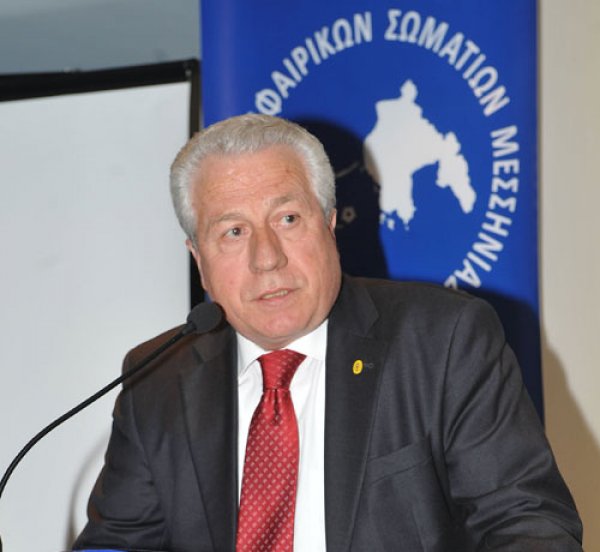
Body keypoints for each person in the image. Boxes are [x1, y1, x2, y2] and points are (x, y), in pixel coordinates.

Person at [74, 114, 582, 551]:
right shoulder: (159, 379)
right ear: (198, 259)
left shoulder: (442, 342)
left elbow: (528, 525)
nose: (267, 258)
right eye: (234, 231)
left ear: (329, 224)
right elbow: (116, 543)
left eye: (288, 218)